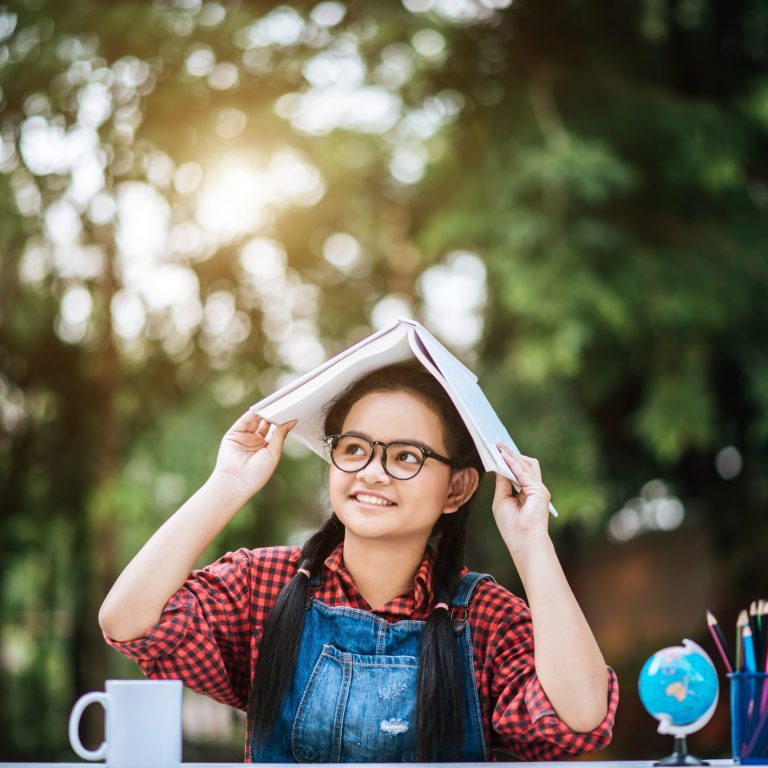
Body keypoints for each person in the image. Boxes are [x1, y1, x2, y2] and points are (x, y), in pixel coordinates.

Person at [99, 362, 618, 762]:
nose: (372, 472)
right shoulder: (265, 583)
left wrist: (531, 542)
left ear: (457, 487)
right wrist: (228, 485)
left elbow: (578, 719)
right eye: (354, 448)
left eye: (406, 456)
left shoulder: (482, 616)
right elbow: (128, 622)